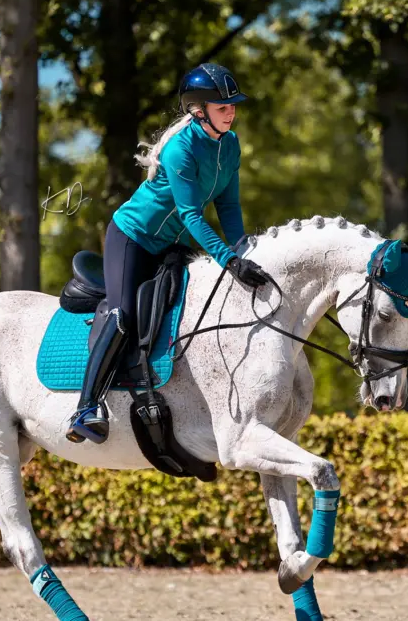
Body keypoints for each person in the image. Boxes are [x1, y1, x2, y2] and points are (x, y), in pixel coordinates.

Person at [66, 62, 271, 445]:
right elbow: (192, 214)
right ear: (199, 111)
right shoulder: (181, 149)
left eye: (233, 105)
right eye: (223, 107)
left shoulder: (231, 145)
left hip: (171, 244)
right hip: (133, 238)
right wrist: (229, 260)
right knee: (123, 313)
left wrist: (243, 248)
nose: (232, 111)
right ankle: (86, 407)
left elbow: (229, 206)